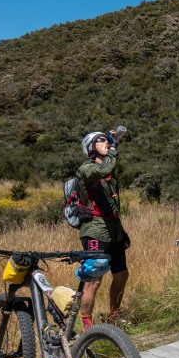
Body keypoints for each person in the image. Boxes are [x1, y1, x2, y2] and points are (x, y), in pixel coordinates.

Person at [78, 128, 129, 330]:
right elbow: (104, 170)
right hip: (95, 231)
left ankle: (114, 315)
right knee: (95, 278)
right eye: (101, 141)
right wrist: (114, 147)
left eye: (105, 140)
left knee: (121, 274)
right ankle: (86, 325)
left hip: (113, 230)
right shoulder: (86, 169)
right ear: (91, 148)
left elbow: (113, 206)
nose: (106, 142)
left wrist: (122, 232)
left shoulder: (110, 173)